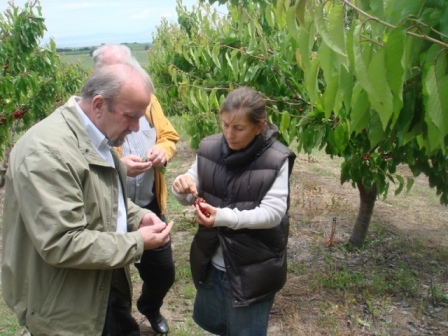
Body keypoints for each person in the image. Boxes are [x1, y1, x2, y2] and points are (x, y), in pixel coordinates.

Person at [1, 61, 174, 336]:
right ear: (98, 104)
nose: (136, 126)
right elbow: (62, 242)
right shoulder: (49, 153)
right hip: (66, 307)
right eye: (131, 116)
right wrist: (138, 241)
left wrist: (136, 215)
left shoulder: (98, 137)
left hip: (99, 286)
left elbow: (103, 197)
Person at [171, 86, 296, 335]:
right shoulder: (209, 148)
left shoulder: (275, 158)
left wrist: (223, 217)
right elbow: (188, 189)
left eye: (239, 128)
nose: (230, 134)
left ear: (259, 127)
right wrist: (181, 185)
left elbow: (272, 213)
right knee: (217, 327)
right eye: (226, 125)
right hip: (212, 264)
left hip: (251, 272)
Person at [92, 44, 179, 335]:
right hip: (107, 208)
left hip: (148, 204)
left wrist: (162, 151)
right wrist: (118, 164)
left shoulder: (148, 101)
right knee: (113, 282)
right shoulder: (92, 109)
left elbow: (169, 135)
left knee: (163, 271)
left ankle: (150, 307)